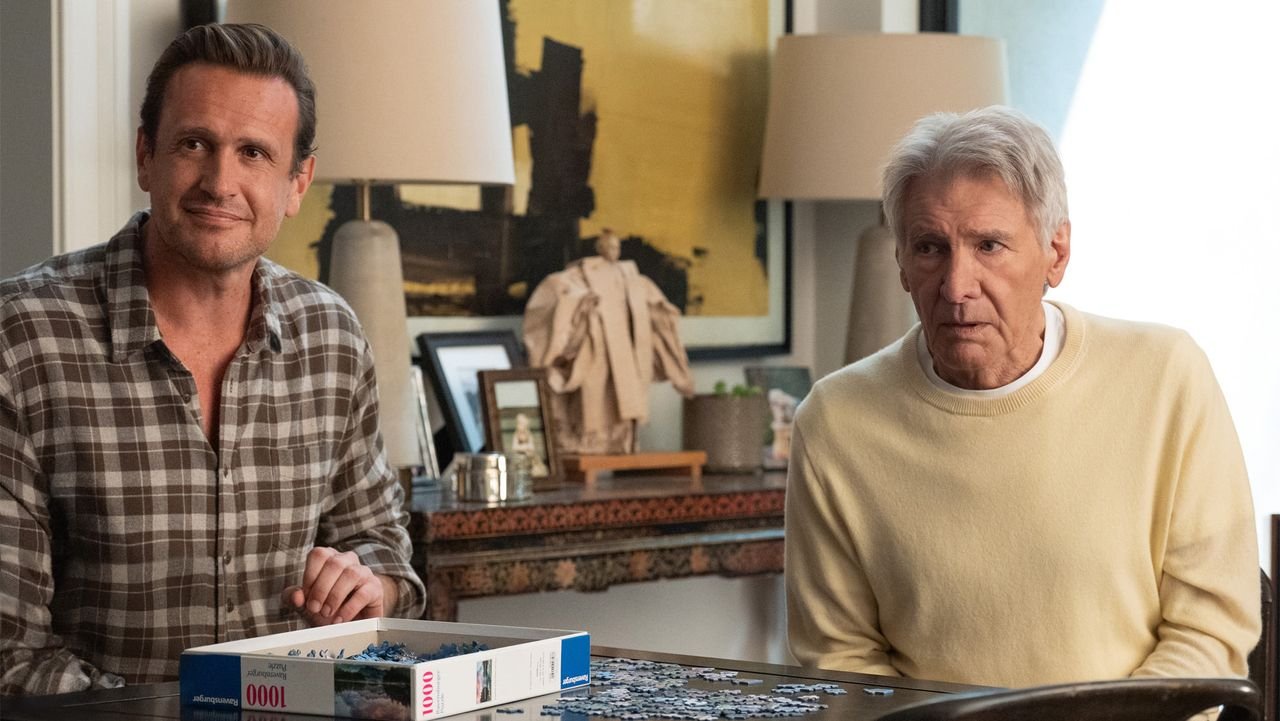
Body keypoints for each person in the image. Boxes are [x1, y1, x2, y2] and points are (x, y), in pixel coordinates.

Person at [0, 24, 426, 696]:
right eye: (194, 144)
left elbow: (385, 552)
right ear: (145, 156)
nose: (220, 182)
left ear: (297, 182)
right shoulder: (22, 338)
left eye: (254, 153)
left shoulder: (332, 338)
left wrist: (367, 586)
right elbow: (10, 653)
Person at [785, 106, 1260, 688]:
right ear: (902, 264)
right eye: (930, 247)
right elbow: (840, 657)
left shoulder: (1166, 377)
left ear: (1056, 252)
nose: (956, 287)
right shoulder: (835, 421)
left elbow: (1210, 629)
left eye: (989, 245)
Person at [523, 228, 694, 454]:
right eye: (609, 247)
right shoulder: (572, 279)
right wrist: (582, 309)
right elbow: (552, 317)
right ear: (600, 248)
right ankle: (587, 438)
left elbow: (662, 315)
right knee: (592, 398)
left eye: (616, 247)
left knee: (623, 395)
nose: (614, 251)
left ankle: (620, 439)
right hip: (595, 353)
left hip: (627, 355)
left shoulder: (634, 281)